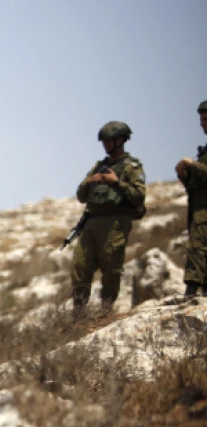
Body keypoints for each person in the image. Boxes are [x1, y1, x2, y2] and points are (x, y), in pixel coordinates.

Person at [71, 121, 147, 312]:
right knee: (80, 266)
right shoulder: (99, 166)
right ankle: (79, 311)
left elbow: (138, 197)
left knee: (111, 269)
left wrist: (116, 182)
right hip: (91, 223)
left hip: (115, 223)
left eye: (109, 141)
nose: (105, 145)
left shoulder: (132, 166)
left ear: (120, 140)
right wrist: (90, 181)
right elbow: (81, 196)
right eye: (103, 141)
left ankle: (106, 310)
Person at [176, 101, 207, 296]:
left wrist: (191, 164)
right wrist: (184, 175)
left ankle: (192, 290)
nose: (203, 124)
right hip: (198, 206)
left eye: (205, 119)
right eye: (202, 120)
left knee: (198, 247)